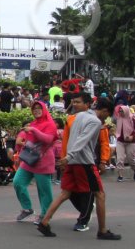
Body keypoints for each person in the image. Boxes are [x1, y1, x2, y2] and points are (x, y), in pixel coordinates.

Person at [37, 92, 122, 240]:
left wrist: (68, 157)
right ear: (104, 111)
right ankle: (102, 230)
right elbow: (82, 140)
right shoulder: (94, 121)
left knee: (65, 193)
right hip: (83, 161)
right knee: (100, 194)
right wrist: (69, 156)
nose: (106, 117)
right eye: (107, 114)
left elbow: (71, 138)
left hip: (72, 160)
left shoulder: (78, 117)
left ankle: (44, 221)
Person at [13, 102, 58, 223]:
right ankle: (27, 209)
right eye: (34, 109)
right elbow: (28, 141)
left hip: (43, 161)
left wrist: (33, 130)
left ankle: (45, 215)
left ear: (44, 109)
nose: (37, 110)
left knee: (44, 190)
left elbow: (48, 139)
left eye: (39, 108)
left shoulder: (50, 124)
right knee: (18, 182)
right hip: (29, 160)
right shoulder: (33, 124)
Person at [113, 104, 135, 182]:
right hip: (120, 141)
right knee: (120, 159)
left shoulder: (132, 120)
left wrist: (132, 137)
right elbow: (116, 130)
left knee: (131, 159)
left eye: (122, 111)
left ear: (126, 111)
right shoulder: (118, 119)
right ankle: (120, 175)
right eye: (119, 111)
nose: (120, 113)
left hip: (130, 142)